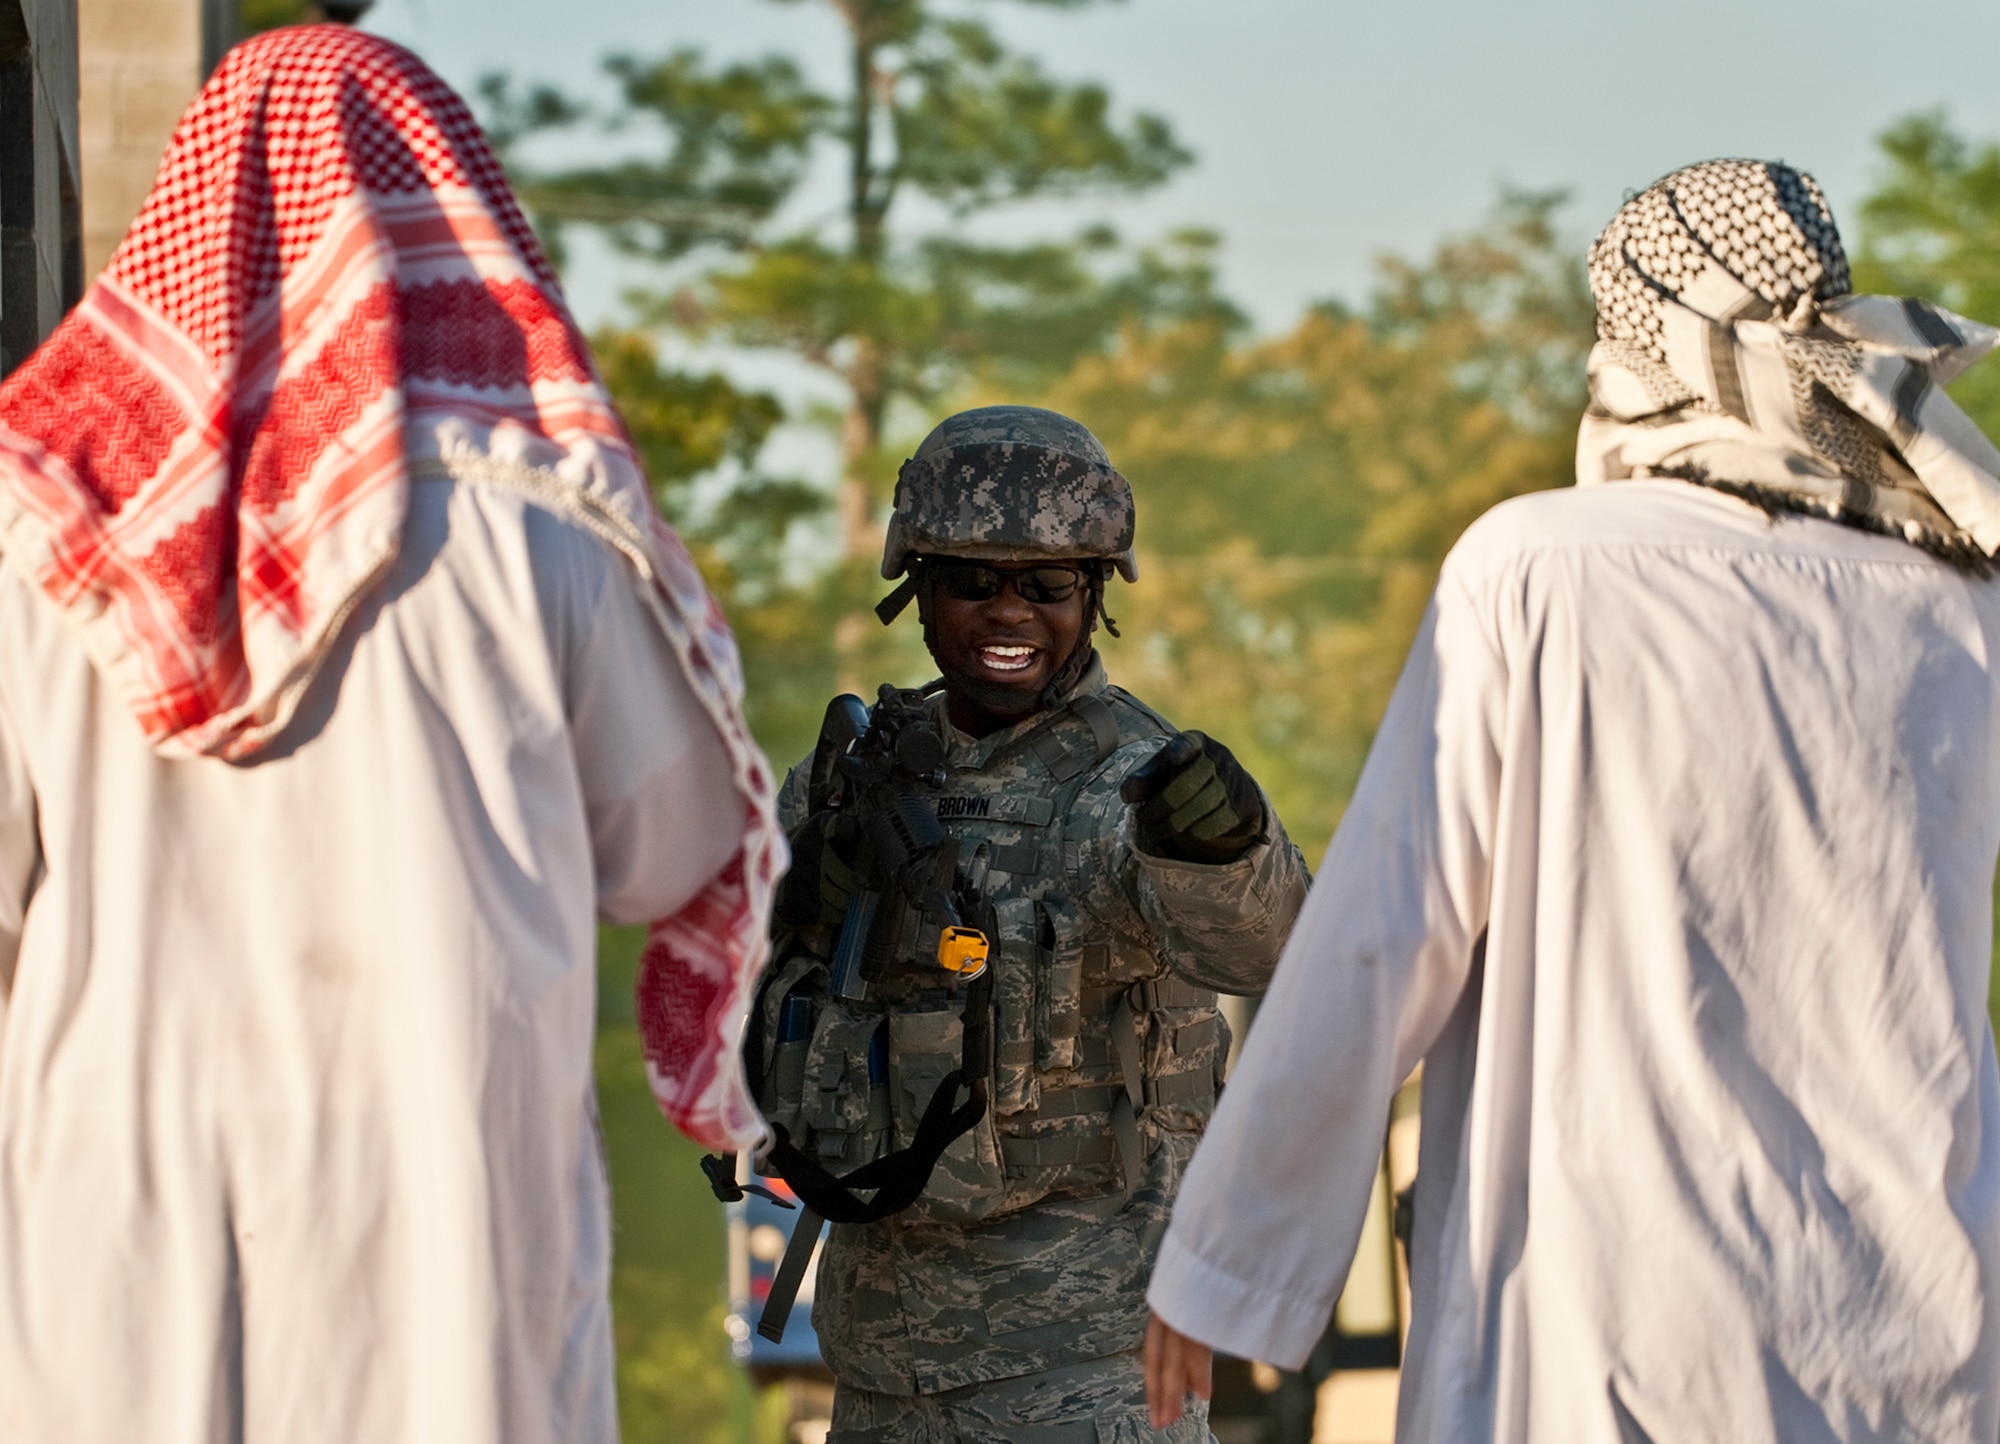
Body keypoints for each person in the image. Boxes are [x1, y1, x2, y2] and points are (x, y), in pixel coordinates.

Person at [0, 27, 781, 1444]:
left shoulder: (43, 528)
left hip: (114, 1243)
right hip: (443, 1244)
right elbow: (673, 851)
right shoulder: (543, 532)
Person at [1145, 159, 2000, 1442]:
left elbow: (1384, 936)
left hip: (1610, 1326)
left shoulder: (1534, 568)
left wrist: (1223, 1267)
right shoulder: (1954, 599)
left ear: (1635, 334)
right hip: (1916, 1335)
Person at [756, 405, 1310, 1442]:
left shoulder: (1137, 786)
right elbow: (739, 1017)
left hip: (1088, 1377)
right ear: (914, 590)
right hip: (878, 1374)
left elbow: (1273, 949)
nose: (1007, 613)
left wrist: (1227, 853)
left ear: (1093, 596)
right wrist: (803, 912)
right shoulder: (851, 782)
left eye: (1045, 586)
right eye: (972, 581)